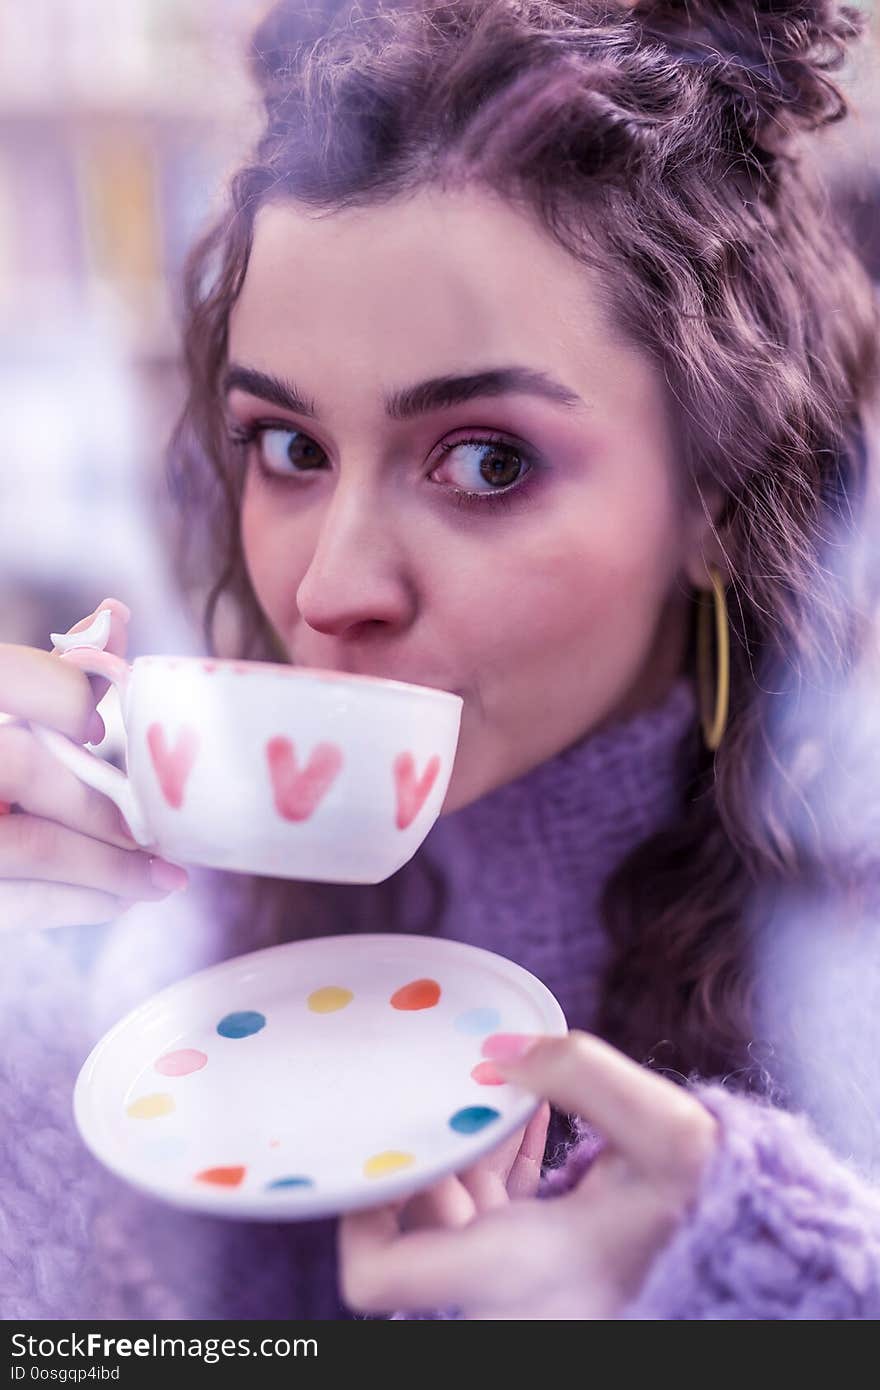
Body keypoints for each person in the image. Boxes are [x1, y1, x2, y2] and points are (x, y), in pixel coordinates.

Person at [2, 0, 880, 1321]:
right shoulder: (185, 960)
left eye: (486, 461)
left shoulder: (839, 994)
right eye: (288, 449)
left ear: (716, 490)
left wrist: (773, 1285)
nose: (331, 585)